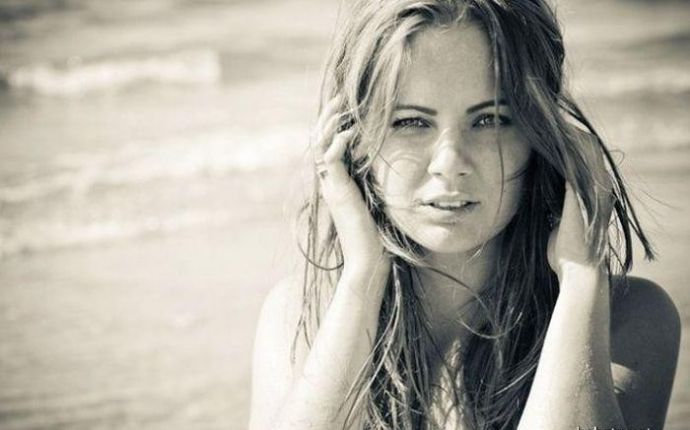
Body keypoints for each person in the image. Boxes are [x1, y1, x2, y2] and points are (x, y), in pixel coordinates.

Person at [249, 1, 681, 429]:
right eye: (410, 122)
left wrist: (581, 277)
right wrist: (363, 277)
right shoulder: (301, 318)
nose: (450, 162)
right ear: (351, 141)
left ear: (544, 138)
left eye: (490, 119)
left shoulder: (628, 321)